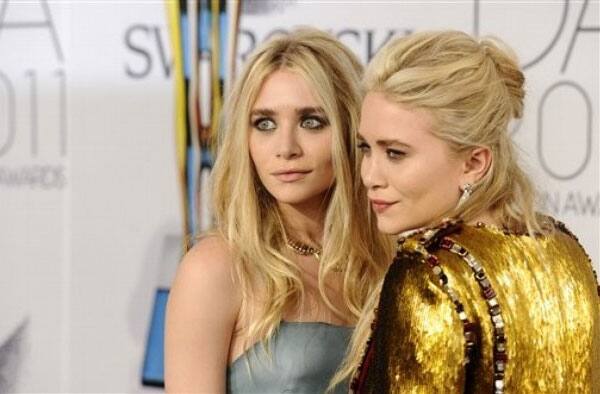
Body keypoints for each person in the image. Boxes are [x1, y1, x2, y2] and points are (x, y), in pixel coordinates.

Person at [332, 30, 600, 393]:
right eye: (365, 148)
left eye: (395, 153)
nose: (369, 175)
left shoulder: (429, 274)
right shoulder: (566, 250)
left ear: (474, 163)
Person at [164, 28, 391, 393]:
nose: (285, 147)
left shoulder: (387, 262)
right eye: (264, 124)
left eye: (311, 121)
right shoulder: (216, 269)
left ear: (352, 130)